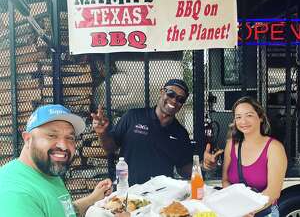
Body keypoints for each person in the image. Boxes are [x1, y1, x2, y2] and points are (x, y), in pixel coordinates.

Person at [92, 78, 223, 185]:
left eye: (180, 99)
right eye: (170, 94)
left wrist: (203, 166)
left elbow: (183, 169)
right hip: (129, 190)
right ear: (162, 92)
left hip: (162, 194)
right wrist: (102, 133)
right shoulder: (133, 116)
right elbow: (110, 147)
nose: (174, 100)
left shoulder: (180, 133)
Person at [0, 104, 113, 217]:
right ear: (28, 139)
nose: (63, 146)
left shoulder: (44, 171)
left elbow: (60, 211)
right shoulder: (16, 195)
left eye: (70, 138)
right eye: (52, 135)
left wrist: (94, 198)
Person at [222, 96, 287, 217]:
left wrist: (248, 210)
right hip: (235, 210)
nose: (243, 121)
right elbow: (225, 181)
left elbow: (273, 192)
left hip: (264, 212)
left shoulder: (274, 148)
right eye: (238, 117)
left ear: (261, 117)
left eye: (249, 115)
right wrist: (237, 208)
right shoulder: (231, 144)